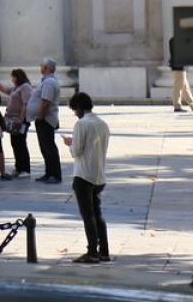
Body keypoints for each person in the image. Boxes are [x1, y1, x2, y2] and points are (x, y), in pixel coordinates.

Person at [63, 92, 112, 264]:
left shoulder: (81, 124)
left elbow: (77, 151)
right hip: (99, 174)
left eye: (75, 110)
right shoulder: (102, 124)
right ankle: (104, 251)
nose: (75, 113)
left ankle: (92, 252)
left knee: (88, 215)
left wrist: (70, 144)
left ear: (79, 108)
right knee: (97, 214)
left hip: (83, 174)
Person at [27, 58, 63, 184]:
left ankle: (55, 174)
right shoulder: (46, 81)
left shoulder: (49, 83)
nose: (40, 68)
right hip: (42, 118)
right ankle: (49, 173)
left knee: (49, 147)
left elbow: (46, 102)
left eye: (42, 66)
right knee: (45, 148)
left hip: (46, 119)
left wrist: (41, 116)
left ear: (47, 68)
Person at [4, 68, 33, 178]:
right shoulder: (17, 87)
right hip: (13, 119)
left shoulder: (25, 87)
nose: (12, 79)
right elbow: (6, 90)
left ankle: (25, 169)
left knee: (21, 143)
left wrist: (21, 119)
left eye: (13, 77)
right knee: (15, 143)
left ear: (17, 77)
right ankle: (18, 167)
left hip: (21, 120)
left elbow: (25, 103)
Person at [170, 41, 193, 113]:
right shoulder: (178, 41)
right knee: (178, 87)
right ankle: (177, 106)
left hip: (179, 66)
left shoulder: (173, 40)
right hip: (179, 66)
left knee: (185, 87)